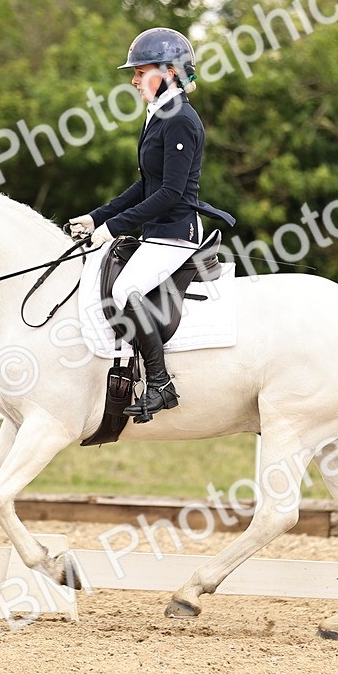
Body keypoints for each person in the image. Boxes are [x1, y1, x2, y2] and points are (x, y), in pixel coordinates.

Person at [69, 27, 236, 422]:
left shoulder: (180, 119)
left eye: (140, 72)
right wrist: (96, 217)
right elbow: (147, 183)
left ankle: (161, 384)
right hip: (158, 232)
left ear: (169, 72)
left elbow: (172, 194)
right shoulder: (159, 115)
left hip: (176, 234)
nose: (133, 79)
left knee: (127, 288)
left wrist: (113, 228)